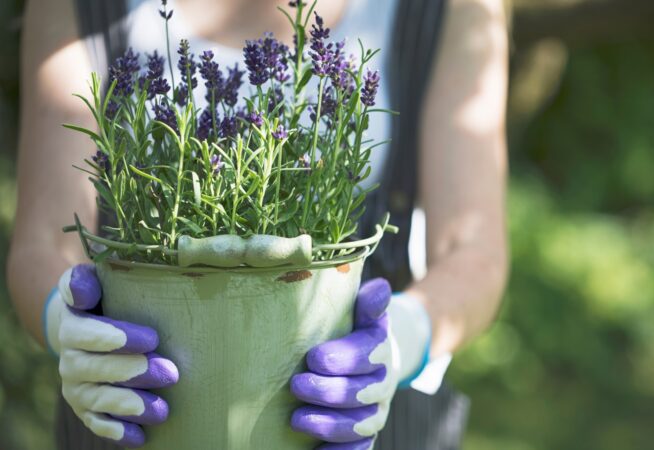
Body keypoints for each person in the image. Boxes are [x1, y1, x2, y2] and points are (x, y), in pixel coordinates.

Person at [6, 0, 509, 448]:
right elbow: (45, 238)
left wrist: (403, 339)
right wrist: (67, 324)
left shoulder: (453, 8)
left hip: (359, 424)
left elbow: (473, 249)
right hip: (133, 411)